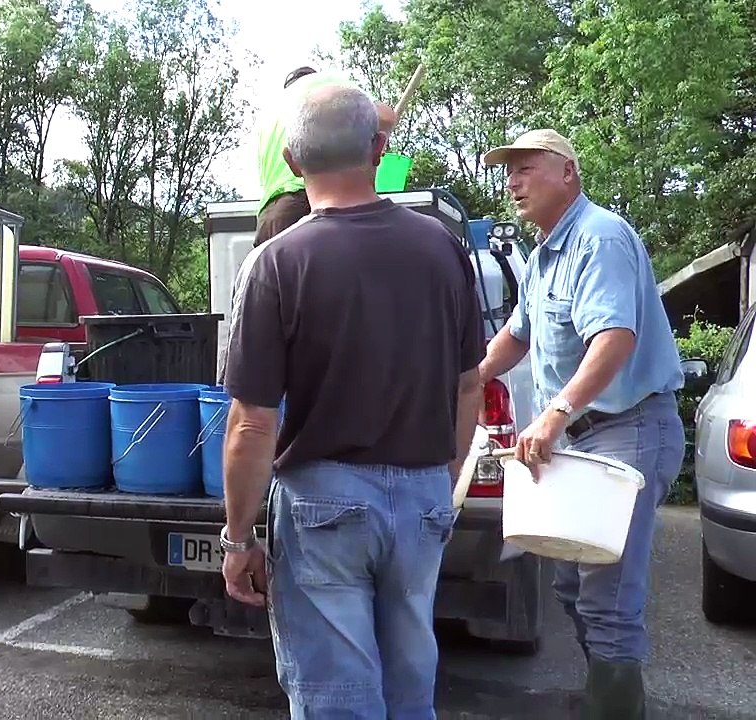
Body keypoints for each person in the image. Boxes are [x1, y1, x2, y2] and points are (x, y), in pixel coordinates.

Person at [220, 83, 485, 717]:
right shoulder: (443, 249)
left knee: (337, 698)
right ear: (378, 149)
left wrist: (238, 539)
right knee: (408, 687)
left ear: (292, 162)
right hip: (423, 495)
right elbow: (468, 384)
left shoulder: (276, 262)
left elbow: (252, 425)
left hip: (324, 506)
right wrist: (442, 481)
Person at [479, 128, 685, 719]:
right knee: (570, 583)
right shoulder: (544, 253)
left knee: (607, 599)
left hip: (630, 429)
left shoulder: (600, 238)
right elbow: (517, 334)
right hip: (584, 438)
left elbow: (614, 337)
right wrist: (468, 378)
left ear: (567, 172)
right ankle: (604, 694)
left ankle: (614, 708)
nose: (513, 182)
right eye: (508, 171)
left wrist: (555, 412)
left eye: (526, 168)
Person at [252, 65, 399, 247]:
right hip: (334, 195)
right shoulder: (328, 87)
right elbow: (385, 116)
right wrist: (374, 141)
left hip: (277, 212)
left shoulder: (269, 115)